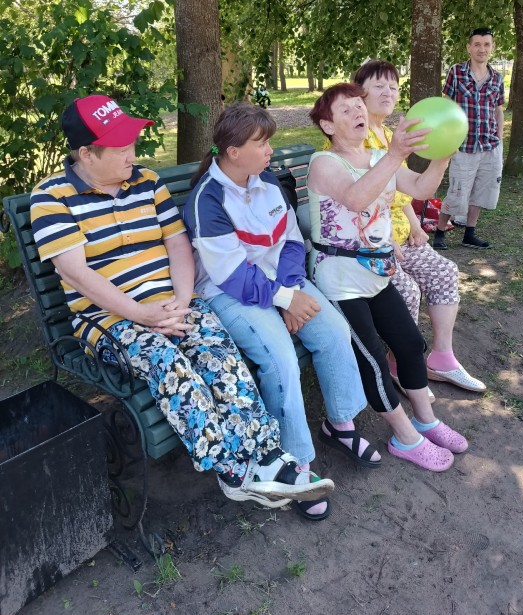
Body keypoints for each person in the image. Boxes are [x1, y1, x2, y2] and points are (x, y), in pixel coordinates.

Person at [30, 94, 333, 510]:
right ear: (86, 153)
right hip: (109, 320)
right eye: (121, 148)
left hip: (174, 303)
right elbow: (75, 273)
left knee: (220, 357)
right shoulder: (51, 197)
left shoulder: (147, 182)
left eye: (132, 144)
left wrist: (182, 301)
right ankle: (234, 472)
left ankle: (266, 457)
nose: (132, 154)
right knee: (170, 364)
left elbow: (178, 246)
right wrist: (141, 314)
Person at [183, 103, 380, 521]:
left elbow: (291, 241)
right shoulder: (208, 199)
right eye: (262, 143)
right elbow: (232, 276)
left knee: (333, 331)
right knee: (281, 360)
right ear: (234, 152)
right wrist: (287, 300)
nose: (270, 150)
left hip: (280, 282)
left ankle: (340, 425)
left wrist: (290, 290)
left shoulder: (267, 180)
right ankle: (294, 466)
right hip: (231, 295)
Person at [307, 83, 469, 472]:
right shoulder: (323, 163)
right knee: (374, 360)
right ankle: (405, 437)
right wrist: (396, 154)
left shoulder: (379, 156)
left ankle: (425, 420)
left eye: (359, 106)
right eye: (345, 110)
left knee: (410, 344)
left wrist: (441, 158)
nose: (358, 112)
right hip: (339, 281)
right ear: (328, 125)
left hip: (377, 275)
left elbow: (420, 189)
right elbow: (356, 199)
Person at [353, 59, 485, 394]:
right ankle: (401, 362)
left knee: (444, 271)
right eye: (379, 85)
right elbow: (355, 200)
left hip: (397, 234)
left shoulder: (387, 134)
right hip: (367, 243)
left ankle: (442, 357)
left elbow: (409, 189)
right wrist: (384, 239)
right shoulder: (353, 138)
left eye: (393, 86)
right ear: (360, 92)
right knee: (407, 290)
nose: (388, 92)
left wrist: (443, 158)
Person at [433, 27, 505, 251]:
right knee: (457, 191)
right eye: (477, 44)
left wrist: (500, 137)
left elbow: (498, 110)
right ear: (469, 48)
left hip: (490, 145)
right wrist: (448, 136)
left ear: (492, 48)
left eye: (486, 44)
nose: (482, 49)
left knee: (482, 192)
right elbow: (447, 105)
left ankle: (469, 234)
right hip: (463, 145)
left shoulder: (497, 78)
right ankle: (439, 232)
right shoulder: (457, 72)